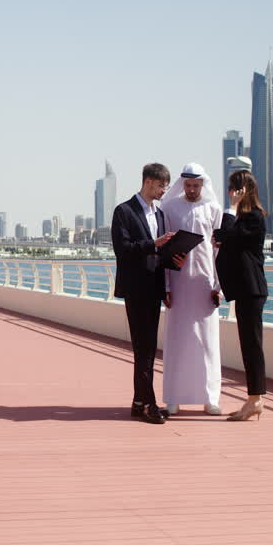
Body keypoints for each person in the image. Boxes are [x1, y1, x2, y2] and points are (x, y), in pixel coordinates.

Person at [112, 163, 184, 425]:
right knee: (143, 348)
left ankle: (139, 401)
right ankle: (148, 404)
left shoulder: (161, 214)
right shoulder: (124, 211)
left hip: (154, 288)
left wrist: (175, 260)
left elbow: (160, 255)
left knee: (148, 348)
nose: (165, 189)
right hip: (135, 288)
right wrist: (154, 243)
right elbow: (123, 249)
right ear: (148, 182)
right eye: (161, 184)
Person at [159, 163, 223, 416]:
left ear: (203, 185)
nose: (192, 190)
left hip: (205, 284)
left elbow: (218, 250)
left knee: (208, 342)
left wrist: (219, 287)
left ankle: (211, 398)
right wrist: (165, 286)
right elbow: (164, 248)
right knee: (177, 341)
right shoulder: (169, 208)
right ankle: (173, 397)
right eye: (188, 185)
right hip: (178, 282)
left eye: (196, 185)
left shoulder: (213, 208)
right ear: (182, 184)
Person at [213, 169, 269, 421]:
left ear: (245, 190)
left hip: (252, 289)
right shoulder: (243, 219)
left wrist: (232, 208)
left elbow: (225, 234)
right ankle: (253, 399)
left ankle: (256, 400)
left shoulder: (254, 218)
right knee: (248, 344)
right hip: (245, 290)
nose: (230, 193)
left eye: (234, 188)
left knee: (252, 345)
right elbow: (219, 236)